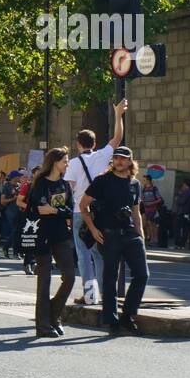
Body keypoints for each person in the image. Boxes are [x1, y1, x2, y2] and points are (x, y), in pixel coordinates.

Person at [80, 146, 148, 334]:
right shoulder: (102, 181)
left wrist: (140, 235)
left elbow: (136, 212)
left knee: (142, 274)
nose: (119, 161)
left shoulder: (135, 184)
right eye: (116, 158)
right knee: (110, 278)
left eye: (123, 158)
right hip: (108, 234)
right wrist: (93, 230)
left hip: (130, 234)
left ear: (130, 162)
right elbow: (83, 204)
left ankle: (128, 315)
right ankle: (111, 320)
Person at [66, 99, 128, 304]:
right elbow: (118, 138)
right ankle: (104, 292)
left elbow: (70, 189)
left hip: (79, 210)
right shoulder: (103, 155)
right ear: (94, 143)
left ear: (78, 144)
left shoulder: (73, 163)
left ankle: (90, 294)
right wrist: (118, 115)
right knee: (100, 254)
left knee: (83, 256)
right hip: (99, 213)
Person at [26, 148, 75, 337]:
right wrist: (58, 210)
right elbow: (39, 208)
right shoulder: (40, 183)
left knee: (70, 276)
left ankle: (54, 313)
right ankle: (43, 326)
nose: (67, 164)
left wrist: (54, 210)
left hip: (61, 235)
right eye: (65, 161)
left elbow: (69, 210)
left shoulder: (65, 185)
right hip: (42, 236)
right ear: (55, 162)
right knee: (44, 281)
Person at [171, 179, 190, 250]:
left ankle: (178, 244)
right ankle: (183, 244)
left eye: (183, 185)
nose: (183, 187)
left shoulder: (187, 192)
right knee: (186, 229)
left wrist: (177, 198)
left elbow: (181, 201)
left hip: (183, 212)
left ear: (186, 185)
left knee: (179, 229)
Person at [141, 175, 164, 244]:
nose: (143, 181)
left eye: (144, 180)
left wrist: (151, 203)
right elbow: (142, 198)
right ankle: (150, 238)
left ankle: (153, 239)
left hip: (153, 209)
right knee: (147, 224)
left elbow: (159, 199)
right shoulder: (144, 189)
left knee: (152, 224)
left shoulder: (154, 189)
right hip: (146, 209)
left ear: (148, 180)